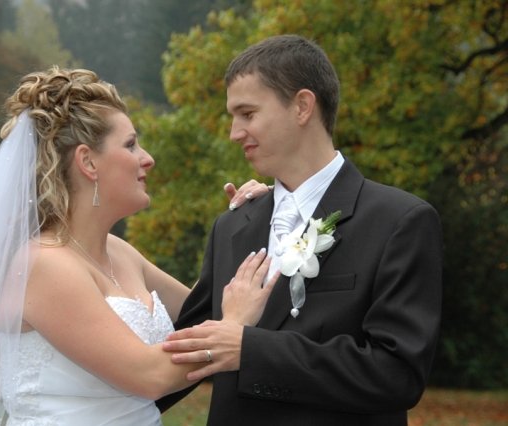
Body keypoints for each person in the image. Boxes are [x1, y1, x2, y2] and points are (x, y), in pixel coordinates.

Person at [0, 66, 277, 426]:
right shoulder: (43, 265)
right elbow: (151, 375)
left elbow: (211, 307)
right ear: (87, 161)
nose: (148, 158)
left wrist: (253, 220)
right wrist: (233, 325)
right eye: (130, 145)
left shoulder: (120, 252)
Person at [159, 34, 443, 425]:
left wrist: (251, 350)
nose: (234, 132)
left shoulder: (400, 221)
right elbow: (183, 350)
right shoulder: (231, 226)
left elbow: (397, 375)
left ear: (302, 106)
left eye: (247, 114)